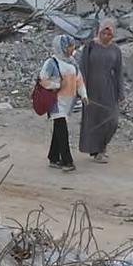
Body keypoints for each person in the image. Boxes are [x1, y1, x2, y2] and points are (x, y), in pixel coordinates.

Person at [77, 18, 127, 161]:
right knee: (93, 120)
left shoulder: (115, 50)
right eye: (103, 34)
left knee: (112, 120)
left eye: (109, 34)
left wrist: (121, 92)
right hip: (91, 88)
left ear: (113, 35)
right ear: (99, 32)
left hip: (108, 88)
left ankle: (102, 146)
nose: (105, 37)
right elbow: (83, 68)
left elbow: (118, 72)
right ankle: (97, 151)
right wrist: (81, 89)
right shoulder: (90, 46)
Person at [32, 40, 85, 169]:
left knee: (58, 127)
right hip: (56, 101)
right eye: (69, 46)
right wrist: (57, 85)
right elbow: (43, 79)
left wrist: (83, 95)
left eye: (72, 46)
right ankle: (67, 161)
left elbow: (79, 80)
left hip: (68, 102)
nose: (72, 48)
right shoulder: (51, 63)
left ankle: (53, 157)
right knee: (62, 128)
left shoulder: (72, 62)